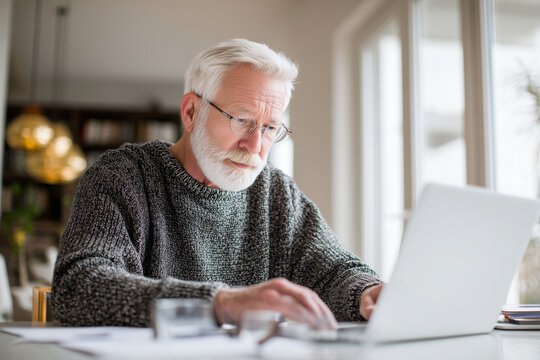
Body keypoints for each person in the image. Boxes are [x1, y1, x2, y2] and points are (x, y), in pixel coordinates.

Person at [51, 38, 383, 329]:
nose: (255, 147)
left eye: (270, 128)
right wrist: (221, 303)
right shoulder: (122, 176)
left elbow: (335, 272)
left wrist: (368, 293)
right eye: (241, 121)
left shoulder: (277, 194)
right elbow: (79, 287)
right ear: (191, 112)